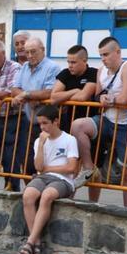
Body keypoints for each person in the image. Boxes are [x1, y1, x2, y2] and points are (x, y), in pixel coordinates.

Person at [19, 105, 80, 254]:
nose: (42, 127)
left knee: (47, 196)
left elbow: (71, 168)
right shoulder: (39, 141)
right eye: (40, 123)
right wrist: (41, 144)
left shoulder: (69, 139)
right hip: (43, 177)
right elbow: (38, 167)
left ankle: (30, 241)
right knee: (28, 195)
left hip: (63, 180)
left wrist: (49, 169)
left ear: (56, 121)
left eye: (45, 123)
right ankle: (36, 242)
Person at [89, 36, 127, 206]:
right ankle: (88, 167)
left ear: (117, 52)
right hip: (107, 119)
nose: (103, 59)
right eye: (101, 55)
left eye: (106, 54)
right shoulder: (100, 70)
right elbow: (97, 96)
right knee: (79, 126)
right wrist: (101, 98)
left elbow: (125, 99)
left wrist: (109, 99)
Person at [6, 38, 62, 186]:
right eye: (27, 52)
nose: (30, 55)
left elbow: (49, 92)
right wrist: (28, 96)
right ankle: (31, 191)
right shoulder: (24, 67)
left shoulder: (52, 67)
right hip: (29, 120)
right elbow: (14, 89)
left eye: (33, 52)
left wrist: (26, 95)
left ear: (43, 50)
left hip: (47, 123)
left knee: (46, 162)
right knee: (27, 162)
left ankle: (45, 191)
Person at [50, 44, 100, 185]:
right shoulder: (65, 74)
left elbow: (83, 97)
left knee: (94, 167)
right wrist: (74, 91)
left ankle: (93, 198)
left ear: (84, 61)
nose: (70, 66)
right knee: (70, 166)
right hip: (67, 125)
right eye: (68, 62)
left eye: (73, 62)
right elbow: (53, 97)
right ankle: (69, 193)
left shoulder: (93, 73)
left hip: (89, 126)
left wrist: (65, 95)